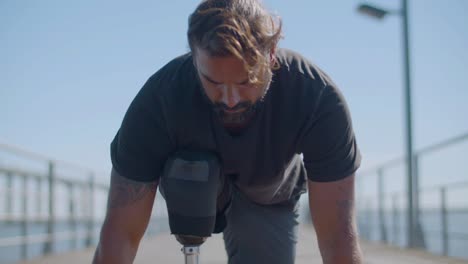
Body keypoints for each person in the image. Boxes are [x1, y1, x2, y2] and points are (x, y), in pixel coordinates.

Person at [93, 0, 363, 263]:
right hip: (190, 183)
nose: (230, 99)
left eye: (246, 81)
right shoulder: (159, 99)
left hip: (267, 195)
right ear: (193, 56)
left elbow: (337, 237)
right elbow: (120, 232)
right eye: (213, 82)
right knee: (189, 174)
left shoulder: (316, 98)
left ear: (271, 55)